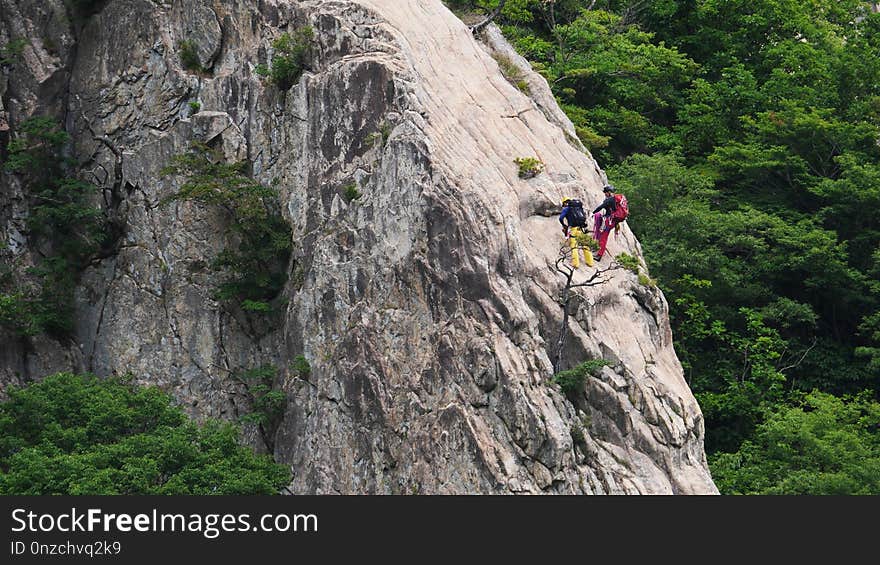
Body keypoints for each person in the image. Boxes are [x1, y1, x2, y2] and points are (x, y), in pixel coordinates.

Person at [592, 184, 620, 262]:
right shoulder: (614, 199)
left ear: (609, 192)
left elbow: (601, 207)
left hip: (609, 220)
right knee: (603, 235)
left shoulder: (610, 199)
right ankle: (598, 249)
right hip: (612, 220)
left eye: (606, 192)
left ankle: (599, 255)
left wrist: (593, 213)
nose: (605, 194)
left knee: (604, 236)